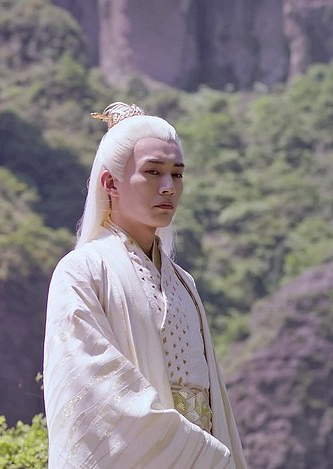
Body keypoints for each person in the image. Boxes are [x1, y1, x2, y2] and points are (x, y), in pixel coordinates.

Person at [42, 102, 247, 468]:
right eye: (153, 172)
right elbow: (94, 392)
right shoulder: (82, 272)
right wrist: (198, 453)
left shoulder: (184, 284)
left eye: (177, 175)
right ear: (110, 183)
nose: (168, 187)